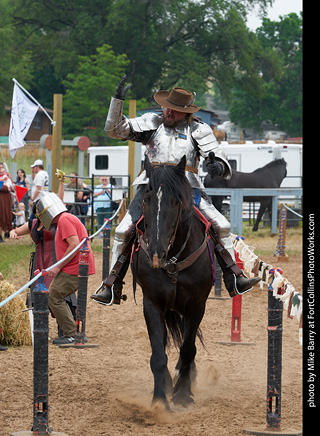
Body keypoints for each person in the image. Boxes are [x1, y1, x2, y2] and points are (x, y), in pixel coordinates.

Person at [91, 77, 260, 305]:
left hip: (186, 187)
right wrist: (117, 101)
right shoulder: (151, 123)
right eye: (168, 107)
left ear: (186, 112)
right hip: (150, 186)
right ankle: (111, 285)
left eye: (176, 110)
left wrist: (216, 166)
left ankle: (234, 277)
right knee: (123, 230)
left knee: (222, 225)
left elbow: (220, 159)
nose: (169, 112)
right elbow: (114, 129)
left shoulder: (199, 130)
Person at [10, 176, 77, 339]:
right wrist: (13, 233)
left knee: (59, 294)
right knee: (38, 295)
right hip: (39, 263)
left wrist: (61, 184)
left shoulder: (55, 221)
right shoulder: (33, 224)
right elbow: (17, 230)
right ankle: (41, 330)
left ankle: (64, 329)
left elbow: (60, 202)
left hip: (55, 260)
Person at [36, 191, 95, 345]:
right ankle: (73, 331)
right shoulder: (66, 218)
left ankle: (72, 334)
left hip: (75, 266)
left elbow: (74, 243)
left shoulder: (64, 219)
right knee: (56, 295)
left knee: (54, 295)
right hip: (75, 265)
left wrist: (58, 266)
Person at [0, 162, 14, 243]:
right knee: (1, 215)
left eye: (2, 168)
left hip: (7, 199)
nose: (1, 170)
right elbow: (3, 188)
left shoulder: (7, 177)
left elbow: (11, 187)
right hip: (1, 198)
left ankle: (7, 232)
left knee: (7, 214)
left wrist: (8, 187)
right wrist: (5, 186)